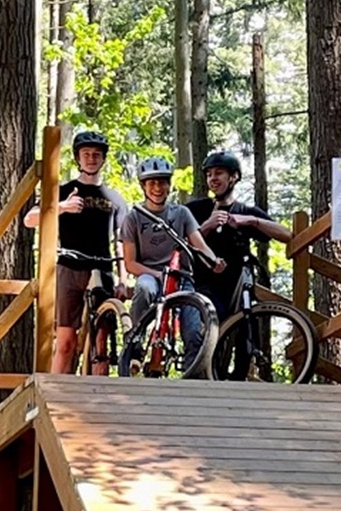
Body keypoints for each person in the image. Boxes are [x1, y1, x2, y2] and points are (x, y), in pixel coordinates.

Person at [25, 130, 128, 374]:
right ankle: (57, 394)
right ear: (77, 158)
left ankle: (99, 397)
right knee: (65, 341)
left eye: (96, 154)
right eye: (86, 154)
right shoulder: (64, 191)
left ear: (103, 159)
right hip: (69, 266)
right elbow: (29, 219)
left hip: (103, 268)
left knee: (101, 340)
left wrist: (124, 280)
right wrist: (61, 207)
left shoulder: (116, 199)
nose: (91, 159)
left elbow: (121, 241)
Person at [120, 155, 225, 361]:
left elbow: (199, 244)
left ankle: (191, 377)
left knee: (194, 329)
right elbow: (131, 263)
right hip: (150, 274)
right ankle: (135, 341)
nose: (157, 188)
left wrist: (214, 261)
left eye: (162, 182)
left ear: (169, 185)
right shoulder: (134, 218)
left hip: (181, 277)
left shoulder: (181, 214)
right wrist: (158, 274)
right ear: (143, 186)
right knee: (144, 288)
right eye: (151, 183)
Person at [186, 151, 292, 321]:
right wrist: (206, 226)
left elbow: (287, 235)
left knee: (248, 328)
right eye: (209, 174)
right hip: (203, 286)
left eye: (219, 173)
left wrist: (252, 221)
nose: (213, 178)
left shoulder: (245, 212)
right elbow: (178, 245)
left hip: (238, 286)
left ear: (233, 177)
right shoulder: (195, 210)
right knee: (211, 326)